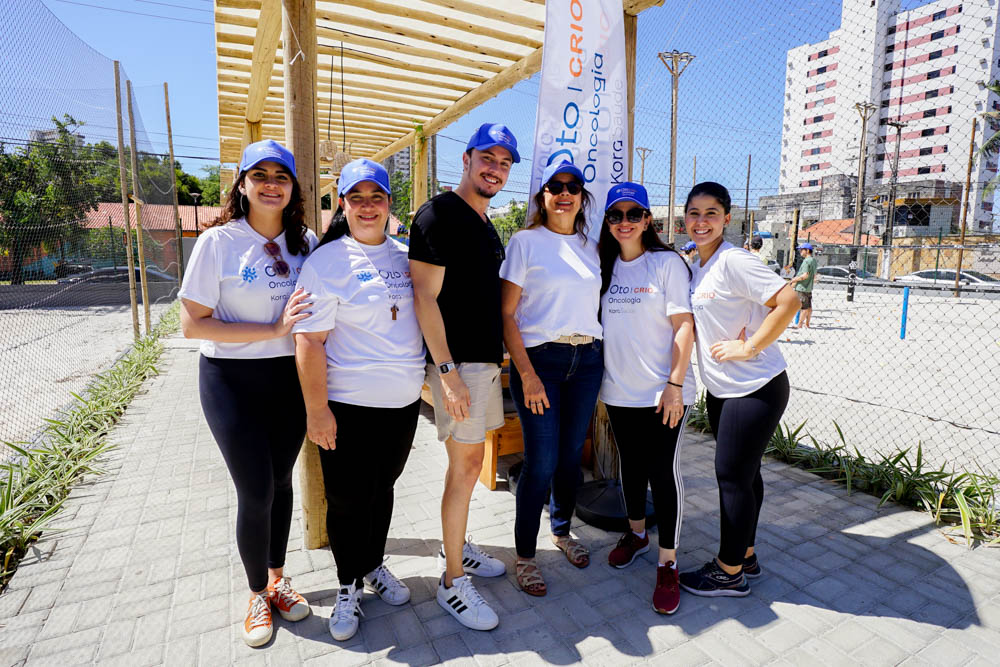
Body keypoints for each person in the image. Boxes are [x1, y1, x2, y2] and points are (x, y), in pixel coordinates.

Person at [178, 140, 316, 647]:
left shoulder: (307, 243)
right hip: (230, 380)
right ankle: (256, 591)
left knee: (280, 482)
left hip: (288, 380)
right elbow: (193, 324)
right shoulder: (219, 243)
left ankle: (277, 579)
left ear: (293, 187)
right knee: (254, 489)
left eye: (281, 176)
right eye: (260, 175)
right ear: (242, 185)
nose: (271, 184)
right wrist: (273, 327)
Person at [292, 160, 425, 641]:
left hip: (402, 405)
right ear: (342, 204)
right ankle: (347, 585)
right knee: (347, 501)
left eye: (377, 197)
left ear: (390, 205)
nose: (368, 206)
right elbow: (308, 341)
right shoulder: (326, 263)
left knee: (382, 490)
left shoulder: (407, 256)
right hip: (347, 407)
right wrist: (317, 409)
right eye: (357, 197)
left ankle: (372, 565)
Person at [409, 123, 518, 631]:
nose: (495, 168)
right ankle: (453, 580)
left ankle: (462, 549)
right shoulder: (439, 215)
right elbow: (423, 298)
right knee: (463, 466)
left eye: (504, 163)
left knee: (471, 463)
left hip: (482, 362)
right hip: (461, 365)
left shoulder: (482, 219)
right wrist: (447, 373)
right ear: (468, 158)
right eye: (488, 158)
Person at [678, 182, 799, 598]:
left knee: (731, 477)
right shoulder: (699, 264)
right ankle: (745, 554)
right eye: (694, 213)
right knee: (746, 476)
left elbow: (789, 300)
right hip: (724, 389)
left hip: (755, 387)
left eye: (711, 213)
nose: (701, 221)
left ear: (727, 218)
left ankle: (728, 572)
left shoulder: (734, 261)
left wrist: (749, 346)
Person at [499, 160, 604, 597]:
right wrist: (526, 374)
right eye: (555, 187)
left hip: (588, 361)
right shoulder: (525, 242)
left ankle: (561, 532)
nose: (564, 193)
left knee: (568, 458)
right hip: (540, 362)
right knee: (540, 462)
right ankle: (525, 556)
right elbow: (506, 314)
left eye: (572, 187)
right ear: (542, 196)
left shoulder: (592, 245)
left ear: (581, 197)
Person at [597, 182, 695, 615]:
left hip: (662, 393)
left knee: (662, 471)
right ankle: (636, 534)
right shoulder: (603, 265)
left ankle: (667, 562)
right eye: (615, 215)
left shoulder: (666, 263)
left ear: (647, 220)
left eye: (632, 214)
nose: (623, 222)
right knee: (630, 468)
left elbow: (684, 326)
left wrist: (675, 383)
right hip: (619, 391)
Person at [789, 242, 817, 329]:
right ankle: (807, 324)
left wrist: (794, 280)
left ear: (807, 250)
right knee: (809, 307)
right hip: (809, 287)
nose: (800, 251)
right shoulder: (813, 260)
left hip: (802, 287)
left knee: (803, 308)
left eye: (802, 250)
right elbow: (814, 275)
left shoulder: (806, 261)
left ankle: (799, 324)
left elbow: (805, 275)